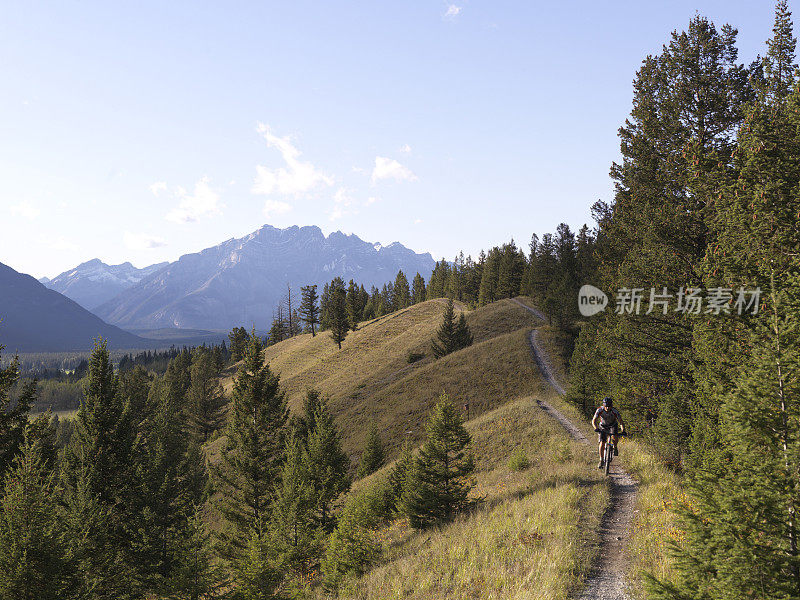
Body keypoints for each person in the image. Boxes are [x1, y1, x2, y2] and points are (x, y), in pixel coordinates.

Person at [591, 397, 625, 469]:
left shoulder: (615, 411)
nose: (607, 408)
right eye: (605, 406)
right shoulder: (599, 410)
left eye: (609, 406)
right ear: (603, 405)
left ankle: (615, 447)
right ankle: (601, 460)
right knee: (602, 442)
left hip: (613, 425)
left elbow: (621, 422)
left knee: (615, 437)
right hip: (603, 426)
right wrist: (596, 428)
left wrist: (623, 430)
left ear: (611, 406)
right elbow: (593, 420)